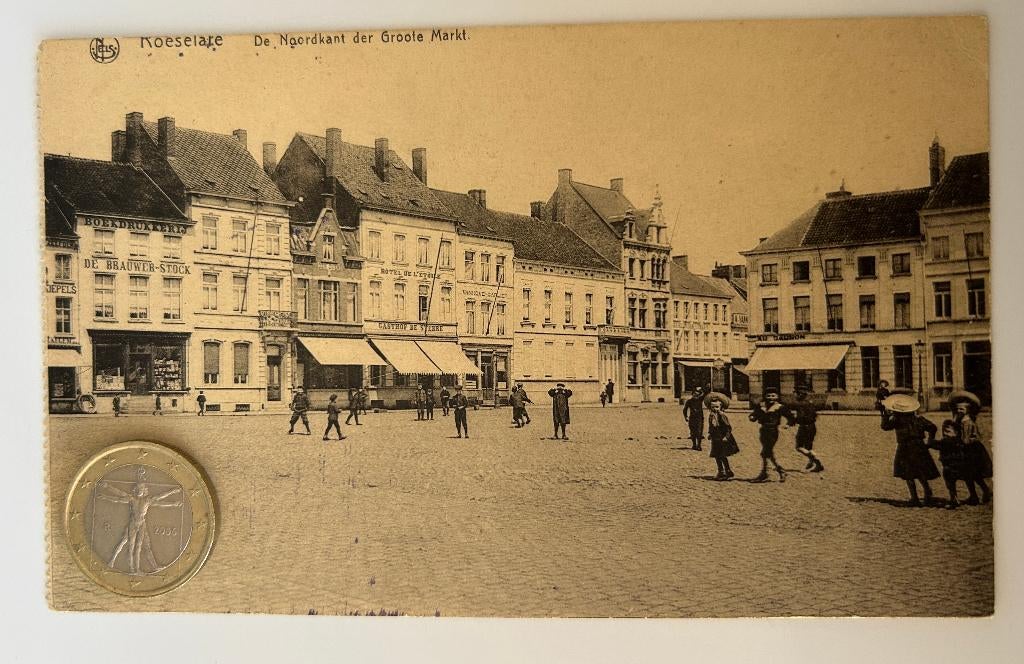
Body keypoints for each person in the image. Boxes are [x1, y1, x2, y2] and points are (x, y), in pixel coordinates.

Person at [880, 394, 939, 506]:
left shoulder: (897, 420)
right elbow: (933, 427)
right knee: (921, 472)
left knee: (908, 473)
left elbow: (885, 427)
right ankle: (928, 493)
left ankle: (915, 498)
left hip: (905, 447)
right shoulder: (919, 419)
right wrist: (930, 440)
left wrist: (885, 415)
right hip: (919, 447)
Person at [953, 399, 992, 504]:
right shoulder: (965, 420)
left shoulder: (966, 422)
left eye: (962, 409)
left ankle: (981, 492)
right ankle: (978, 494)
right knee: (972, 474)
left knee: (971, 474)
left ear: (967, 410)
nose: (959, 411)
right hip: (972, 449)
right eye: (957, 409)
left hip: (971, 450)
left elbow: (965, 440)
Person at [748, 389, 790, 482]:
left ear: (777, 397)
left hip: (773, 431)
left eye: (773, 396)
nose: (771, 398)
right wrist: (752, 417)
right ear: (765, 396)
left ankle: (769, 473)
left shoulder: (780, 407)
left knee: (766, 452)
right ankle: (771, 472)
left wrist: (787, 424)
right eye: (768, 396)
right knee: (766, 453)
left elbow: (790, 417)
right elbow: (754, 415)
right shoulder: (761, 406)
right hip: (763, 430)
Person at [926, 419, 968, 509]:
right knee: (962, 481)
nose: (945, 434)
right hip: (960, 465)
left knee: (950, 484)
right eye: (944, 431)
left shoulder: (946, 441)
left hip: (949, 467)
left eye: (948, 431)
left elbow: (932, 444)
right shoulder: (959, 441)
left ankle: (954, 499)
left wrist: (931, 435)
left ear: (956, 432)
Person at [790, 385, 824, 472]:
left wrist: (793, 421)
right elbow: (815, 415)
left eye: (795, 393)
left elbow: (801, 417)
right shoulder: (810, 402)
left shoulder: (800, 404)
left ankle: (817, 461)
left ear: (799, 394)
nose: (794, 395)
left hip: (804, 427)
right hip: (812, 427)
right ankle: (811, 463)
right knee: (809, 447)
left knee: (799, 447)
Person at [707, 395, 739, 480]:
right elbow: (711, 426)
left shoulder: (722, 416)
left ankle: (728, 471)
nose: (715, 409)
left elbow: (728, 427)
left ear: (721, 407)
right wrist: (710, 434)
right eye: (713, 407)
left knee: (722, 455)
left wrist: (726, 436)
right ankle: (720, 471)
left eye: (717, 407)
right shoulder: (711, 416)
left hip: (722, 437)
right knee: (716, 455)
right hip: (715, 438)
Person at [682, 386, 706, 451]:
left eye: (697, 394)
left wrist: (701, 389)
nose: (696, 395)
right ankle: (694, 445)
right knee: (692, 432)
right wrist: (686, 417)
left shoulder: (700, 400)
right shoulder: (689, 401)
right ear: (692, 394)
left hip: (700, 418)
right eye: (694, 394)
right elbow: (685, 410)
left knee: (699, 432)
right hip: (692, 418)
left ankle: (699, 445)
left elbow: (705, 393)